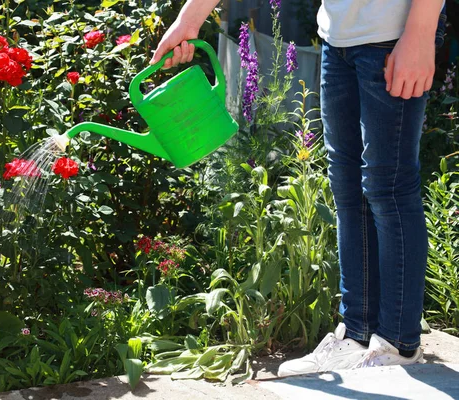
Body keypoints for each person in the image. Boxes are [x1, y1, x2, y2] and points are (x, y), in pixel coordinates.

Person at [150, 0, 444, 377]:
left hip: (394, 36)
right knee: (348, 190)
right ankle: (358, 334)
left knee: (388, 187)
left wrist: (420, 31)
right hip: (338, 38)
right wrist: (189, 19)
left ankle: (398, 344)